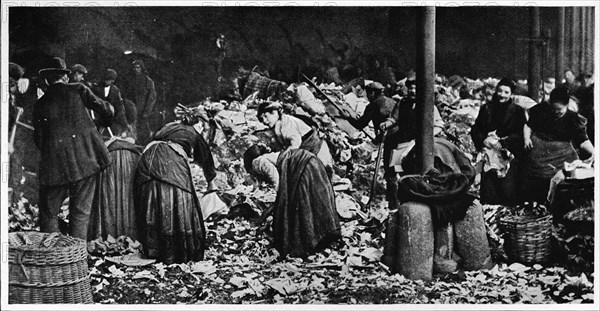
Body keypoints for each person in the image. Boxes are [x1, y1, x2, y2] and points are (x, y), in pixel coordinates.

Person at [33, 57, 114, 240]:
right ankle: (77, 257)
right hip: (87, 159)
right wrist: (97, 126)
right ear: (66, 77)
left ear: (47, 80)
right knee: (80, 212)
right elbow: (107, 110)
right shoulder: (79, 89)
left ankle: (53, 257)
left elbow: (38, 140)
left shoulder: (40, 104)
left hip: (55, 165)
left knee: (49, 213)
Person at [133, 105, 217, 264]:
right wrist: (211, 185)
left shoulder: (170, 127)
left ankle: (154, 249)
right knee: (177, 200)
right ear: (199, 123)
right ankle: (176, 253)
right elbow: (206, 159)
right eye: (204, 128)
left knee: (155, 201)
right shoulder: (193, 132)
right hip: (169, 163)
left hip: (146, 161)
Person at [244, 145, 341, 258]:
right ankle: (324, 236)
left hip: (303, 165)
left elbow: (276, 179)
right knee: (314, 200)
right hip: (310, 162)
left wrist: (275, 204)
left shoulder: (257, 162)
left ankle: (308, 242)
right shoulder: (269, 157)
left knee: (302, 202)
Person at [377, 80, 445, 208]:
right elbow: (395, 118)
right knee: (397, 174)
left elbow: (438, 126)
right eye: (410, 88)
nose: (413, 91)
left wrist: (426, 138)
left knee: (418, 175)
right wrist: (387, 124)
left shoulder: (428, 105)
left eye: (415, 88)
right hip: (403, 142)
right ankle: (397, 205)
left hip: (420, 145)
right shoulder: (402, 103)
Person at [521, 86, 594, 203]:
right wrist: (526, 138)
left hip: (562, 154)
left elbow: (582, 140)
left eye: (559, 110)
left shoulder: (572, 118)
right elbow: (528, 125)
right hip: (539, 152)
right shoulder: (540, 110)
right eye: (553, 108)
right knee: (536, 183)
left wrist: (594, 152)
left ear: (567, 105)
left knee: (564, 181)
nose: (555, 112)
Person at [88, 99, 142, 241]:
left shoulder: (102, 124)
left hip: (108, 160)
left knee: (108, 198)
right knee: (128, 198)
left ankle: (107, 235)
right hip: (129, 160)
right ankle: (129, 235)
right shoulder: (128, 118)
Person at [470, 77, 526, 205]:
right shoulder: (486, 109)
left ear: (511, 94)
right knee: (490, 193)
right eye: (500, 91)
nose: (502, 95)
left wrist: (505, 142)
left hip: (508, 157)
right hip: (489, 156)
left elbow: (521, 134)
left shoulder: (518, 111)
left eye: (506, 92)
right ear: (496, 91)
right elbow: (475, 129)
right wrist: (483, 139)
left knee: (508, 192)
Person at [256, 101, 334, 171]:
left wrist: (281, 157)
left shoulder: (287, 123)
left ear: (275, 113)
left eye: (266, 116)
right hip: (307, 151)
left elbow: (295, 144)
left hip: (317, 149)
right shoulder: (277, 125)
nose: (264, 121)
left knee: (324, 174)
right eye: (262, 119)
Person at [125, 60, 156, 145]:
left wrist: (147, 112)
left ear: (141, 68)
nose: (136, 69)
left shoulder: (148, 81)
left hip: (143, 111)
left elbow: (151, 98)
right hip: (133, 111)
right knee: (132, 132)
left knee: (144, 131)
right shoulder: (131, 80)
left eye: (138, 67)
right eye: (134, 68)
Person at [93, 68, 128, 138]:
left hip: (111, 120)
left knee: (115, 133)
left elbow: (120, 107)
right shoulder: (96, 88)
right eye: (105, 79)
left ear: (112, 81)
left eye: (108, 80)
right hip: (98, 119)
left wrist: (124, 124)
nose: (106, 81)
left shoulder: (115, 91)